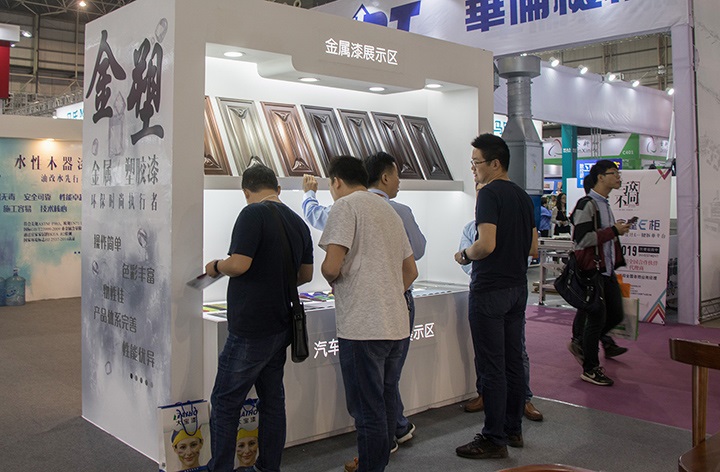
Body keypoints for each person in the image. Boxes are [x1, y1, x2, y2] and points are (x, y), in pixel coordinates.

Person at [301, 151, 427, 449]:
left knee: (366, 407)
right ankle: (382, 454)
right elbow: (411, 270)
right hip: (396, 321)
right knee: (386, 395)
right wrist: (386, 293)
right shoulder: (392, 210)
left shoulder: (344, 207)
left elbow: (331, 267)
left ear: (336, 182)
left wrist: (341, 281)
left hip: (362, 327)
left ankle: (372, 461)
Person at [205, 164, 314, 472]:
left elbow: (239, 264)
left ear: (246, 192)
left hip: (251, 326)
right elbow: (305, 275)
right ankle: (268, 467)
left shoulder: (251, 214)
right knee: (272, 401)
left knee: (225, 401)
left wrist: (216, 266)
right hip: (281, 324)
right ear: (277, 189)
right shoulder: (298, 222)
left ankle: (219, 468)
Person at [453, 134, 538, 460]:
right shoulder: (522, 196)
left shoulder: (489, 194)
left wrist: (464, 254)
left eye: (477, 163)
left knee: (492, 367)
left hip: (490, 290)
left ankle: (493, 438)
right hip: (517, 288)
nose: (473, 169)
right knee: (513, 361)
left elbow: (485, 244)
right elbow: (533, 248)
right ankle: (512, 429)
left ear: (495, 163)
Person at [459, 220, 543, 422]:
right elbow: (465, 262)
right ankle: (485, 395)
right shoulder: (471, 228)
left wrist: (477, 258)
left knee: (516, 350)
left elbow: (529, 252)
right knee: (486, 350)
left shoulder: (514, 224)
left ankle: (523, 398)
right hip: (486, 287)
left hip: (508, 289)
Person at [567, 160, 630, 387]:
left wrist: (614, 232)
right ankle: (590, 368)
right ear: (600, 177)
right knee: (596, 319)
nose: (618, 177)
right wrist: (613, 231)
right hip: (592, 272)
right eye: (614, 173)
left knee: (616, 315)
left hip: (606, 270)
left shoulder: (604, 204)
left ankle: (584, 343)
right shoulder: (588, 204)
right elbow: (582, 240)